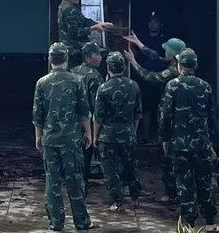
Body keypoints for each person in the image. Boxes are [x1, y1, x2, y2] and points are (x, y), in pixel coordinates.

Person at [160, 49, 219, 233]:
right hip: (202, 144)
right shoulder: (205, 86)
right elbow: (212, 117)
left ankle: (188, 223)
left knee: (184, 184)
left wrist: (164, 138)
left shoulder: (173, 85)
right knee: (205, 182)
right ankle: (210, 222)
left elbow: (165, 116)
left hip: (180, 145)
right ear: (195, 65)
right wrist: (209, 140)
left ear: (180, 65)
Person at [33, 42, 93, 232]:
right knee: (75, 180)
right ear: (66, 59)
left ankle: (56, 223)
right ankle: (82, 222)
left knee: (52, 182)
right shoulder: (77, 81)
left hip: (50, 139)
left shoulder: (42, 83)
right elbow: (84, 112)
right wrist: (89, 133)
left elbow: (38, 115)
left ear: (50, 59)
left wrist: (38, 137)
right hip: (71, 139)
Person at [124, 35, 187, 202]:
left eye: (167, 50)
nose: (164, 52)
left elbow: (151, 77)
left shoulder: (173, 71)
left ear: (173, 55)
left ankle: (172, 193)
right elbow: (157, 58)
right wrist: (139, 43)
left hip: (173, 120)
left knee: (169, 158)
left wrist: (133, 63)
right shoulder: (175, 64)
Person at [93, 51, 142, 212]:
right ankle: (135, 197)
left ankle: (117, 201)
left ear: (108, 68)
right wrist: (133, 131)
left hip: (108, 136)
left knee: (110, 169)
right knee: (130, 166)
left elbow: (98, 117)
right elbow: (137, 114)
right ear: (124, 66)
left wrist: (95, 136)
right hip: (127, 133)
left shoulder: (104, 88)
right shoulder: (133, 86)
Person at [72, 41, 105, 191]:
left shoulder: (72, 71)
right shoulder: (94, 76)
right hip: (87, 123)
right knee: (85, 156)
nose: (100, 58)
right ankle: (81, 188)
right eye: (97, 54)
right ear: (87, 57)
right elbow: (96, 105)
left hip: (71, 122)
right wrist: (94, 130)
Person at [57, 0, 112, 68]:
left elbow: (83, 20)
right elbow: (74, 33)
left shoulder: (69, 5)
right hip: (73, 47)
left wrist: (99, 24)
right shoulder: (69, 8)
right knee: (104, 55)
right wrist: (93, 28)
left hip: (76, 44)